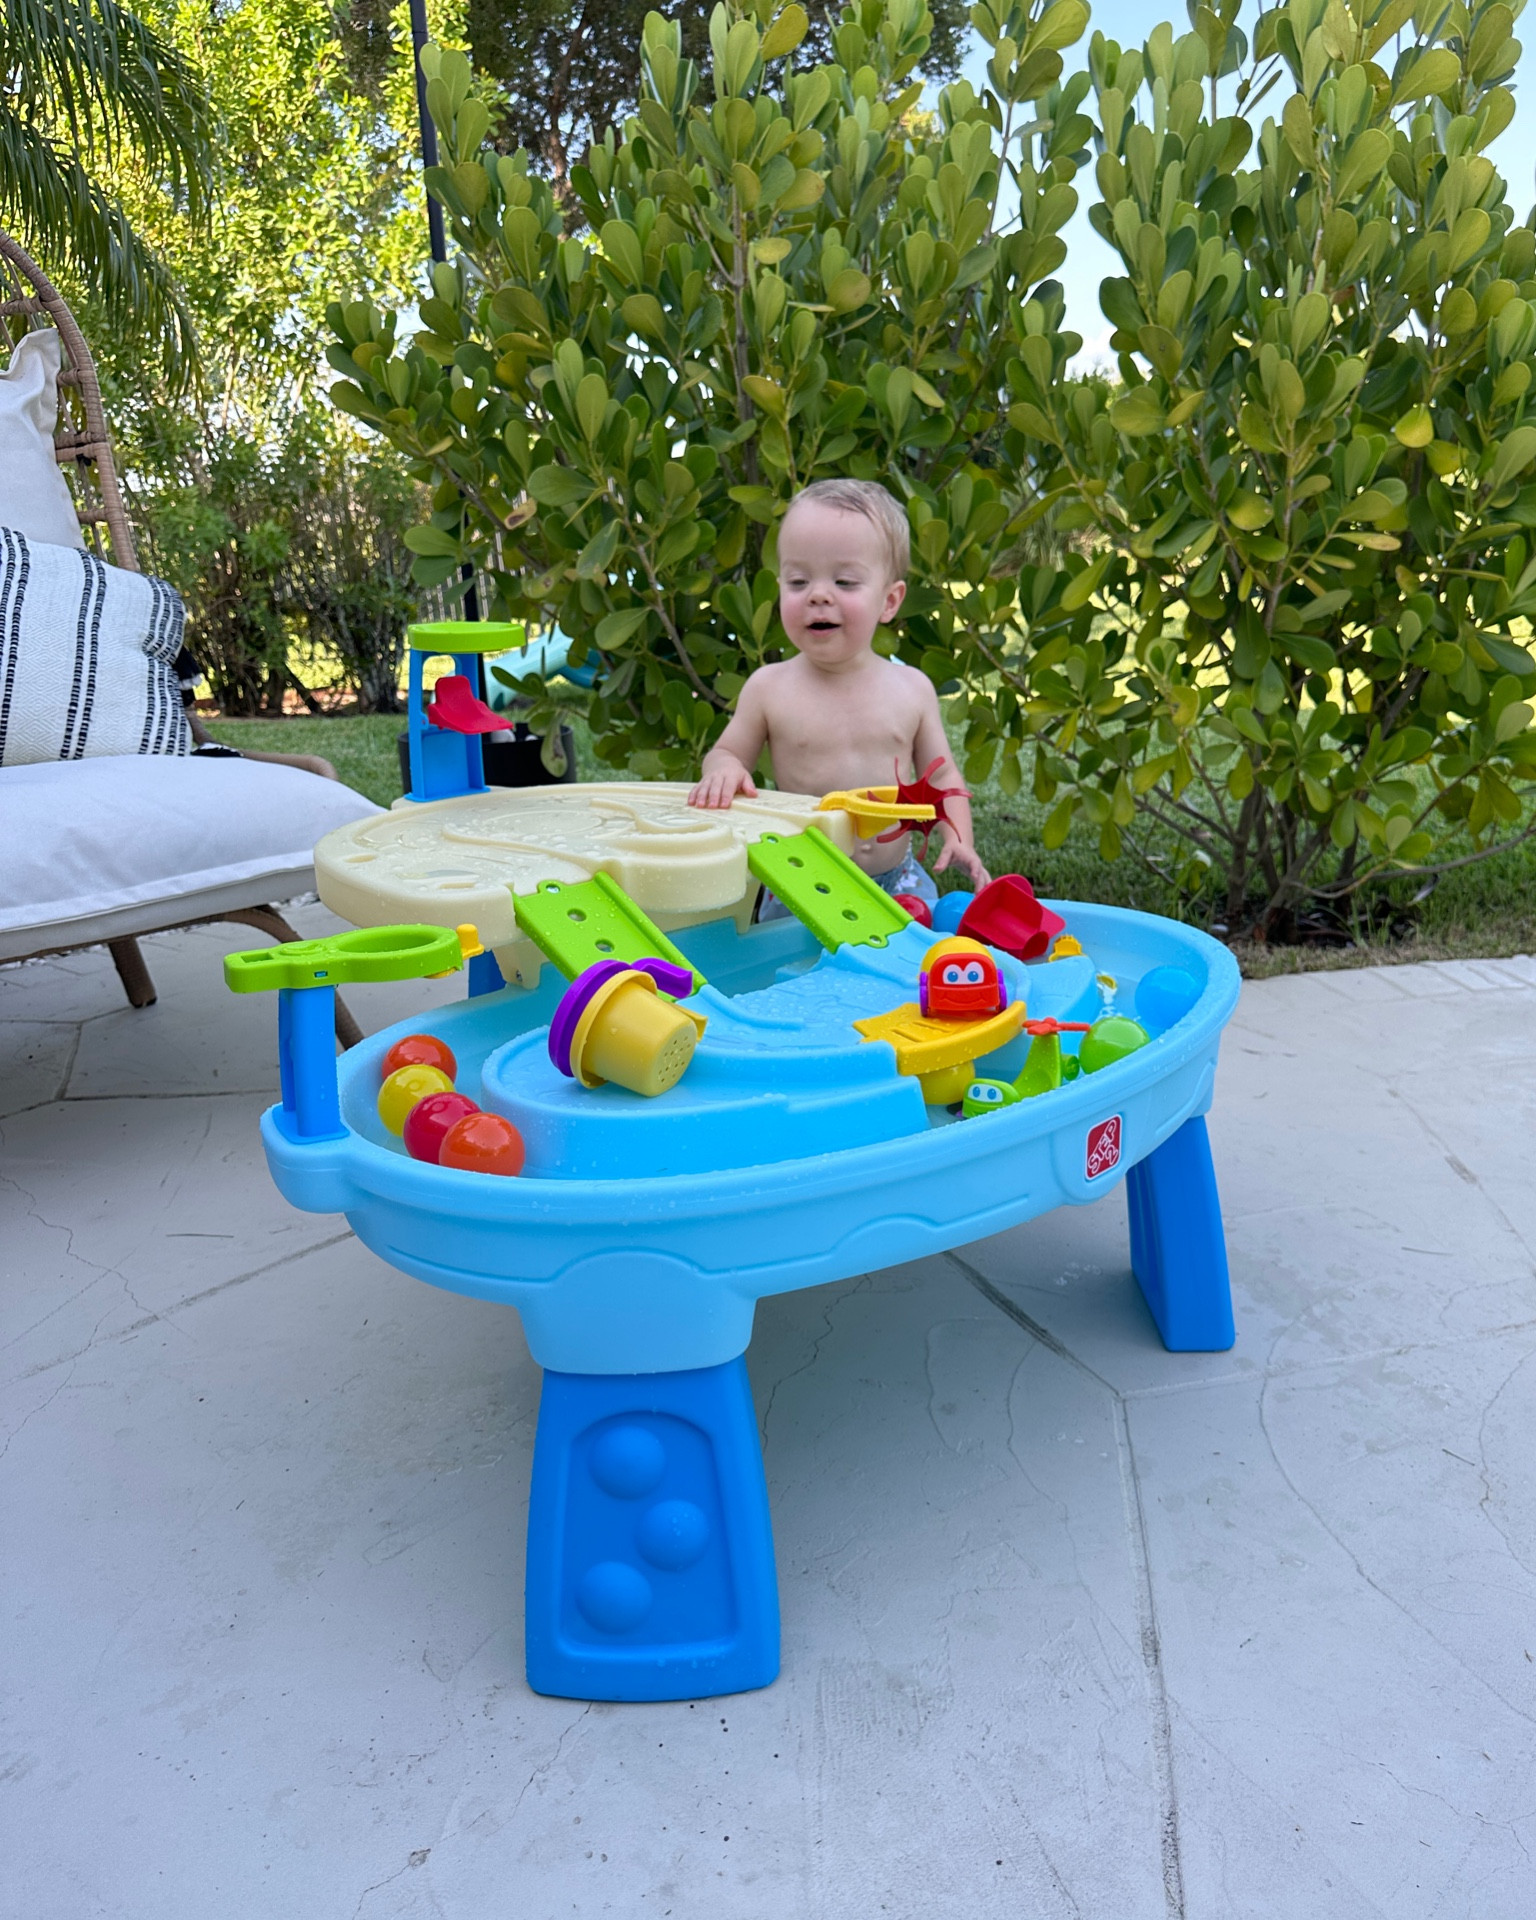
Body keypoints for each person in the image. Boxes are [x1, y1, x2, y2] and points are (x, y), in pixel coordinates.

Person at [688, 477, 990, 910]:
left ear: (889, 601)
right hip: (803, 883)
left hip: (898, 882)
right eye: (797, 582)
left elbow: (943, 779)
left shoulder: (911, 690)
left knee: (914, 971)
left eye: (845, 582)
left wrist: (959, 836)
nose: (819, 595)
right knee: (796, 975)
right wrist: (724, 770)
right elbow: (727, 753)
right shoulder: (770, 689)